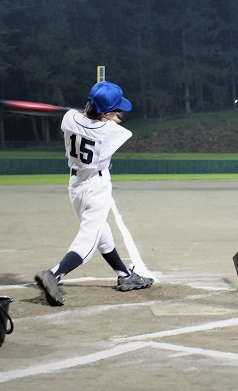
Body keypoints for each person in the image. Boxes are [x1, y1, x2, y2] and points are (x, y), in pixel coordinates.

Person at [35, 81, 153, 306]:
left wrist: (99, 113)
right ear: (107, 112)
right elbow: (116, 126)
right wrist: (108, 118)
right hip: (96, 187)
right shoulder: (113, 132)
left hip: (75, 185)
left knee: (101, 231)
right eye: (115, 110)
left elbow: (84, 118)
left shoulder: (69, 117)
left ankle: (124, 275)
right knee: (89, 237)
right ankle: (55, 274)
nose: (119, 114)